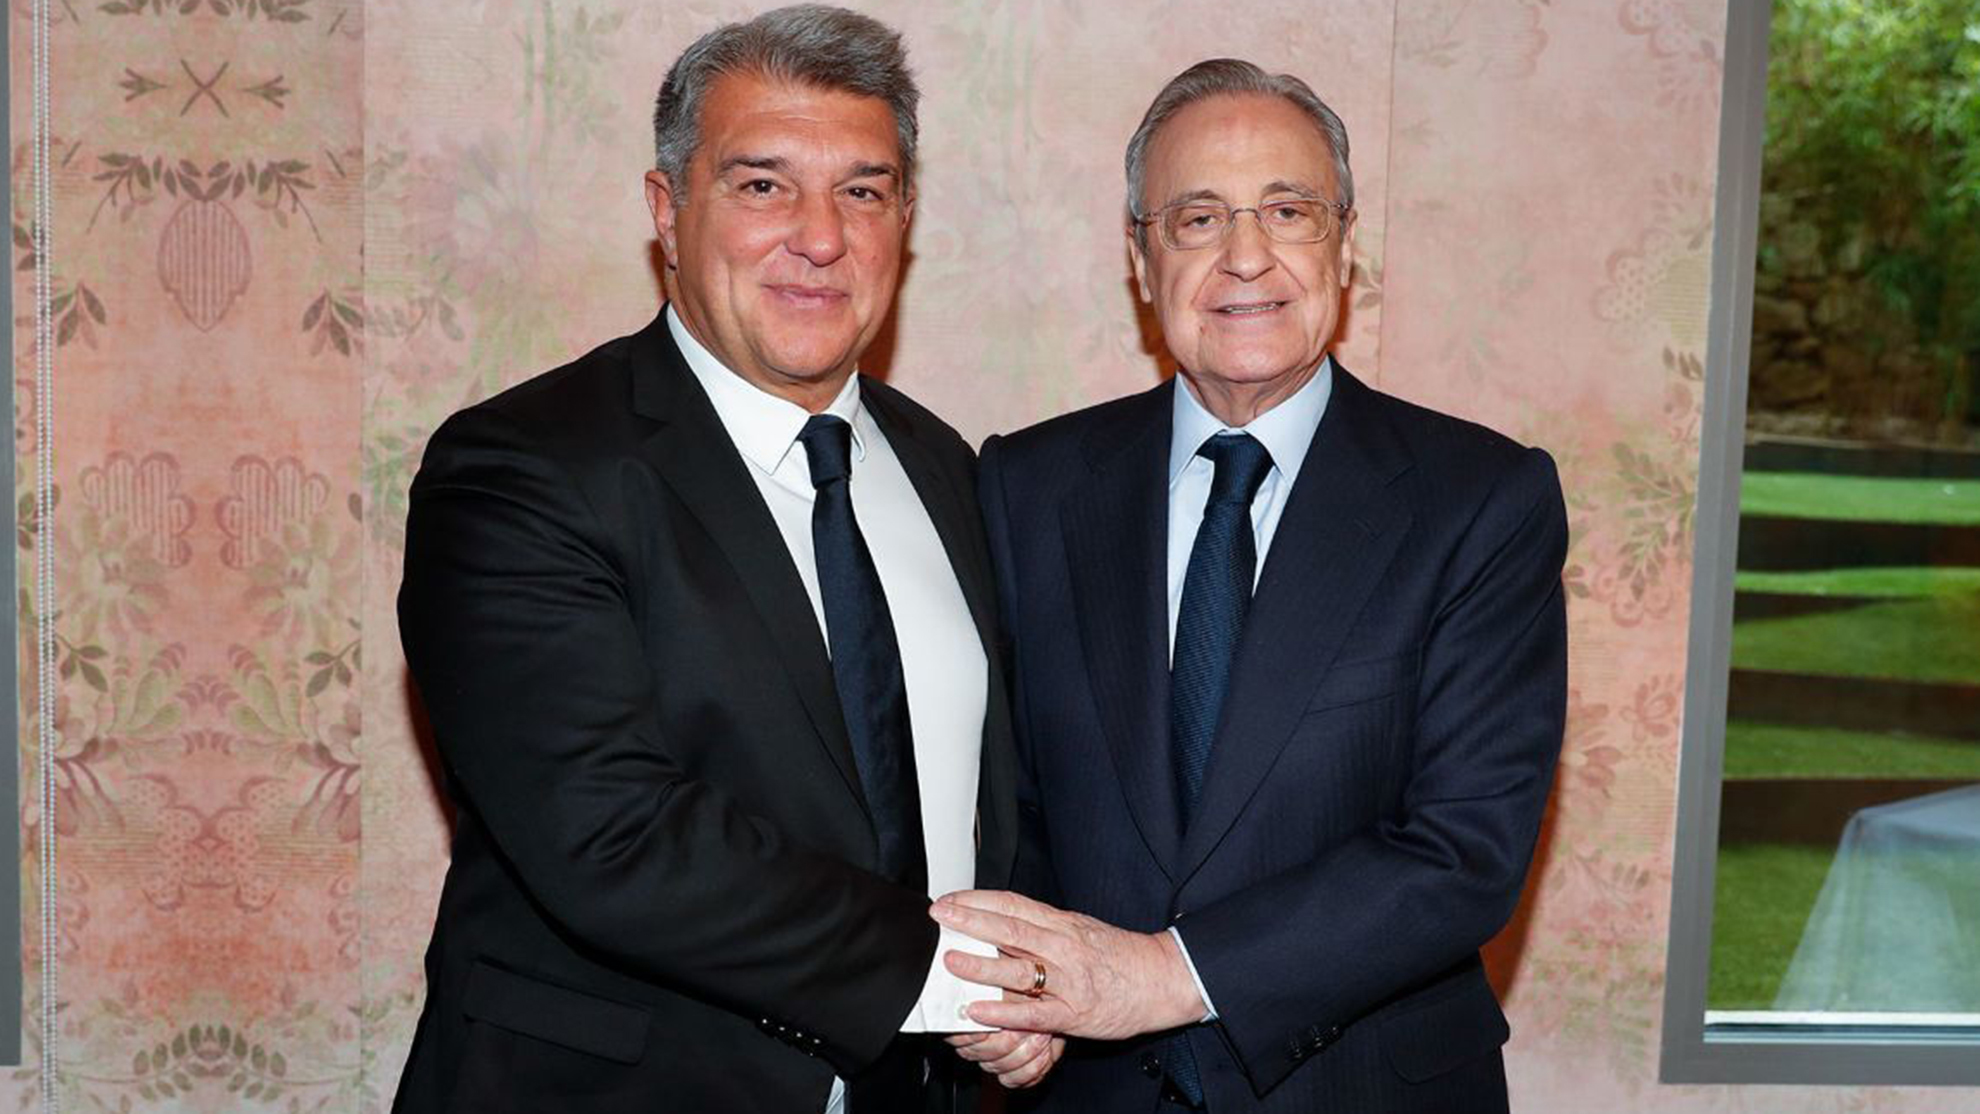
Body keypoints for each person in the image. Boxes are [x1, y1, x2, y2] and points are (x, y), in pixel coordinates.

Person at [390, 7, 1015, 1112]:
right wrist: (961, 984)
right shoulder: (521, 469)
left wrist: (1042, 984)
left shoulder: (949, 470)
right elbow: (608, 831)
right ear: (667, 211)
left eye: (863, 191)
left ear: (903, 222)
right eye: (763, 185)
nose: (820, 237)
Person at [937, 59, 1568, 1112]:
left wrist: (1162, 976)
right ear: (1142, 260)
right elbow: (1007, 804)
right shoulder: (1027, 486)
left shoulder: (1480, 501)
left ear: (1345, 244)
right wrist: (1020, 986)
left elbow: (1463, 849)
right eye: (1196, 219)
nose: (1244, 256)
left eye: (1288, 211)